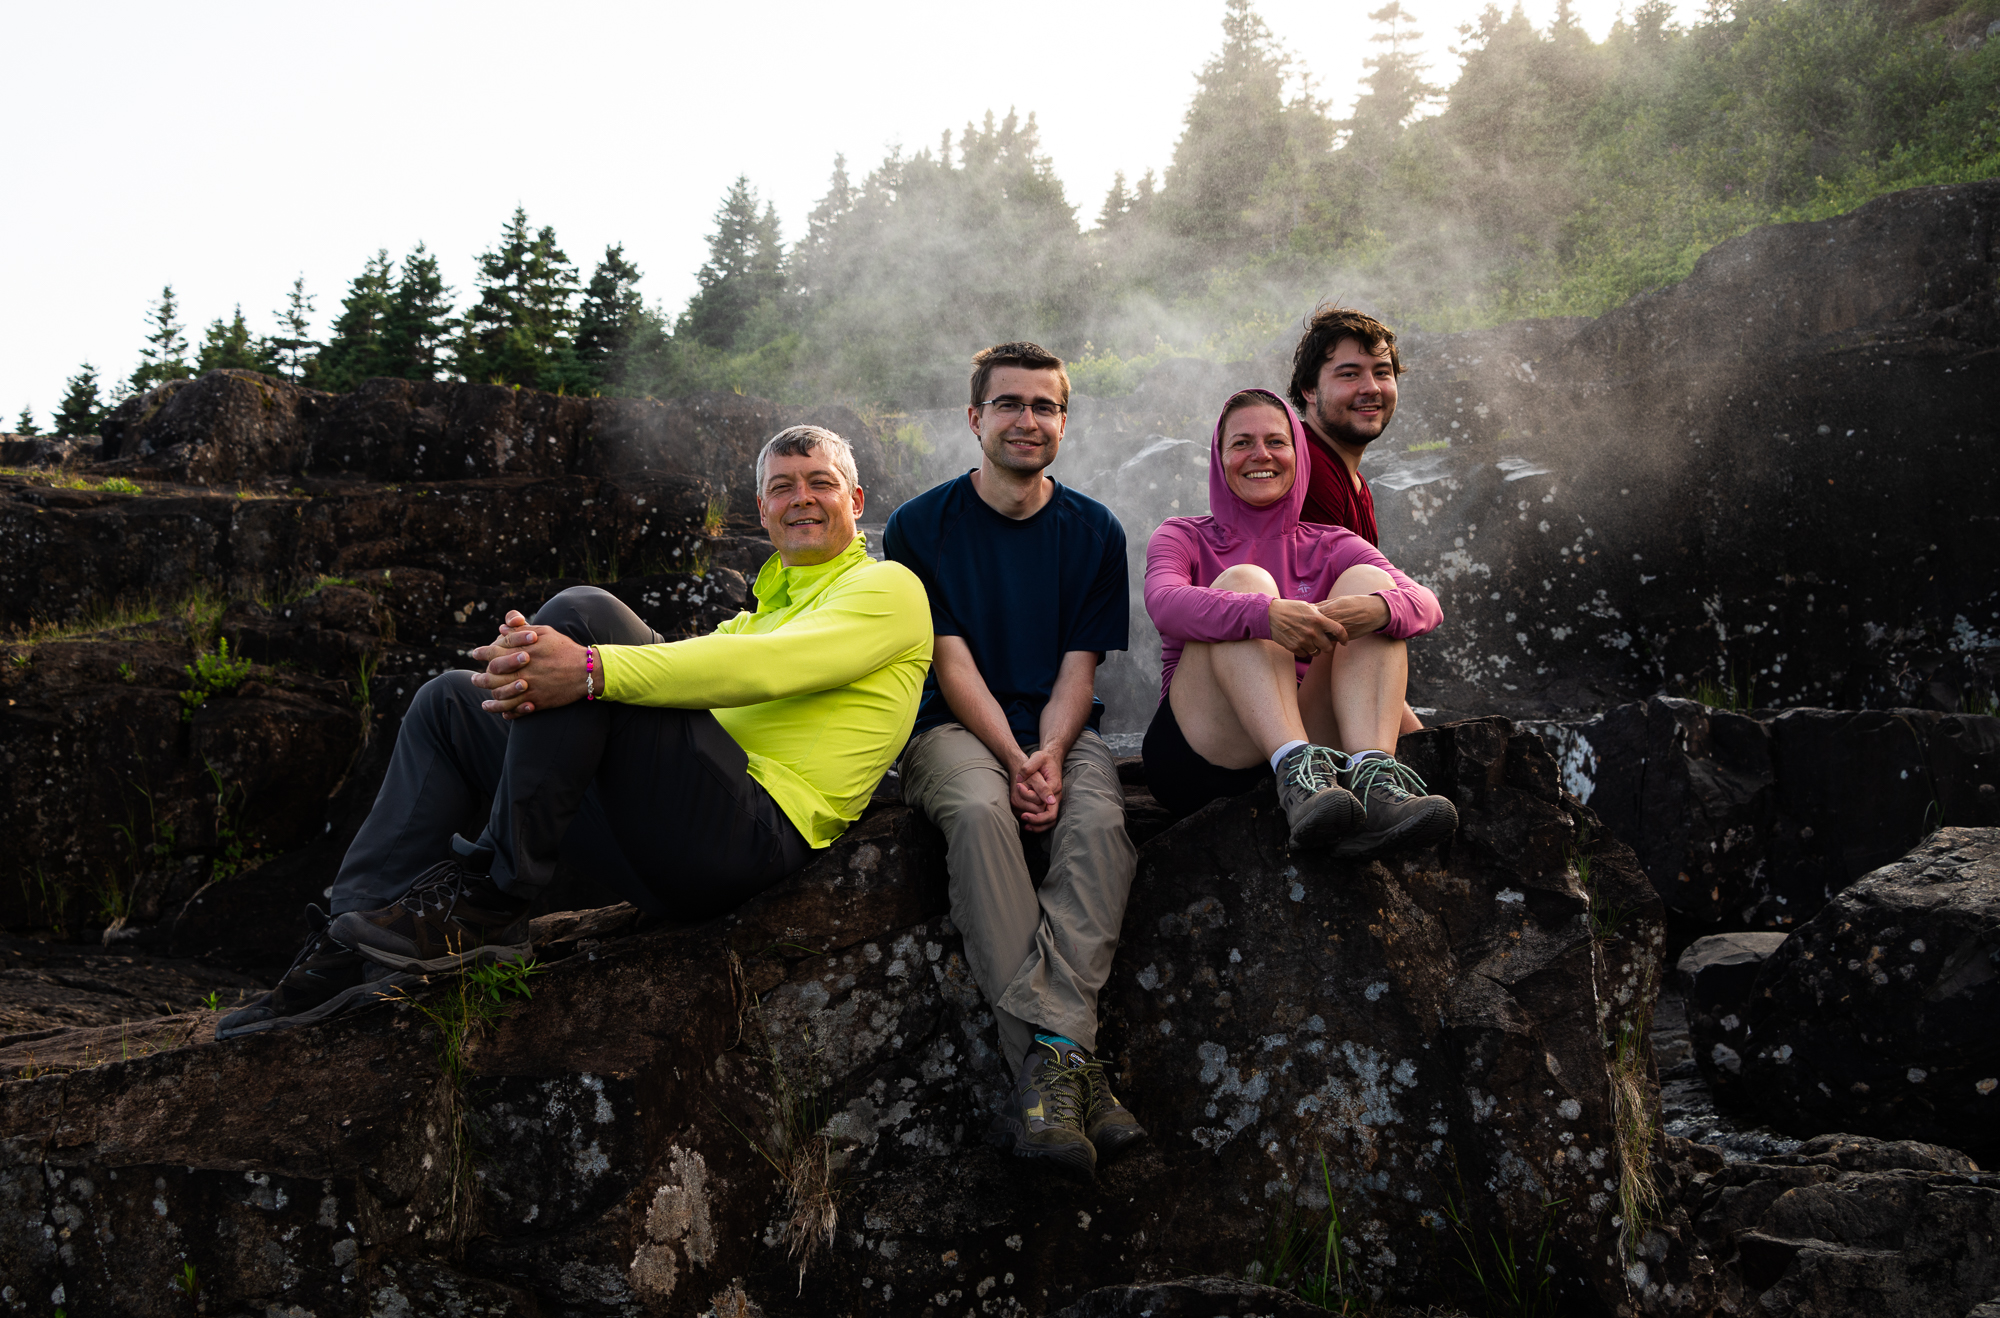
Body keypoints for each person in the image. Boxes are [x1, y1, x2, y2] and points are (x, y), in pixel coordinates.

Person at [218, 426, 932, 1039]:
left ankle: (493, 900)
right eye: (782, 486)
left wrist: (587, 666)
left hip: (748, 840)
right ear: (762, 510)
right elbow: (709, 668)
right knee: (449, 702)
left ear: (856, 502)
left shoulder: (887, 588)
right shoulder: (753, 612)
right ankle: (346, 942)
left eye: (821, 482)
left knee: (585, 612)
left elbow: (763, 669)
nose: (801, 497)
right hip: (664, 838)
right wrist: (542, 664)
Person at [884, 342, 1141, 1179]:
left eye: (1045, 406)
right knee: (981, 812)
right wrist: (1014, 759)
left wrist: (1053, 755)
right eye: (1009, 404)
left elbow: (1079, 669)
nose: (1027, 420)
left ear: (1063, 422)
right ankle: (1074, 1073)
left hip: (1061, 729)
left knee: (1099, 821)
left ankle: (1051, 1063)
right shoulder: (920, 526)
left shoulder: (1095, 530)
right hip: (950, 729)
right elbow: (950, 665)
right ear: (975, 418)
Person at [1141, 387, 1458, 856]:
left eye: (1276, 441)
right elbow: (1163, 601)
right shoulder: (1182, 534)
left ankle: (1373, 779)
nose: (1260, 455)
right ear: (1219, 456)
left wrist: (1378, 609)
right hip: (1205, 751)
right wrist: (1265, 615)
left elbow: (1425, 604)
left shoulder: (1333, 542)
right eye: (1242, 443)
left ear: (1298, 453)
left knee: (1371, 585)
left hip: (1321, 757)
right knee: (1246, 581)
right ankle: (1293, 767)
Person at [1288, 303, 1424, 736]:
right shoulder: (1306, 469)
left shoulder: (1348, 478)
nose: (1371, 388)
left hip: (1322, 694)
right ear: (1310, 389)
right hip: (1284, 715)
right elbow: (1334, 634)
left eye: (1382, 372)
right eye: (1349, 374)